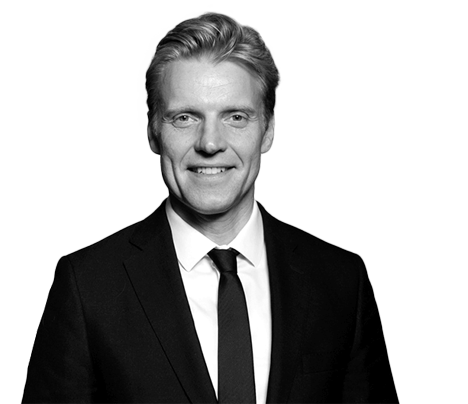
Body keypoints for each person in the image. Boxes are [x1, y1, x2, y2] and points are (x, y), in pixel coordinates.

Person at [21, 12, 398, 404]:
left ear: (268, 130)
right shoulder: (88, 286)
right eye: (185, 118)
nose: (210, 143)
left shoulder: (340, 281)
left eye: (236, 117)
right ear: (153, 131)